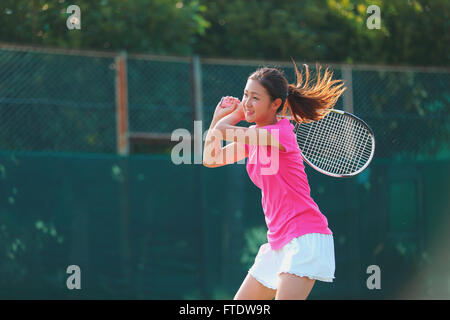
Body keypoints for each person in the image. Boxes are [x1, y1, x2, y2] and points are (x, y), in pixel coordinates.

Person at [202, 62, 345, 300]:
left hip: (304, 236)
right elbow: (211, 158)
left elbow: (225, 131)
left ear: (276, 104)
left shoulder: (279, 134)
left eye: (255, 98)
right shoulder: (257, 137)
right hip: (278, 241)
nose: (247, 102)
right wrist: (216, 119)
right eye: (245, 94)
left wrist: (233, 115)